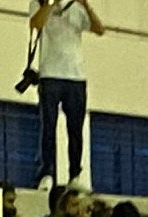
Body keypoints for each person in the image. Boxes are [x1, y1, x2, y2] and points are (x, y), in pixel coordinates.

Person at [31, 0, 104, 190]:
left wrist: (86, 5)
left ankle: (75, 175)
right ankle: (46, 173)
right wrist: (51, 4)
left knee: (76, 129)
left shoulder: (77, 7)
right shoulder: (39, 2)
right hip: (50, 75)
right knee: (48, 126)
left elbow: (99, 29)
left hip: (76, 76)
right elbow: (36, 24)